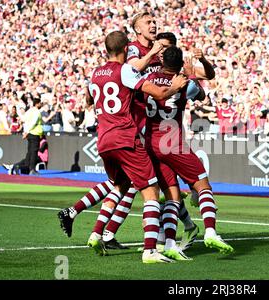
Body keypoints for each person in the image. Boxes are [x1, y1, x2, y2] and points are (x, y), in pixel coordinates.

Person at [85, 30, 187, 263]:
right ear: (125, 50)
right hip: (125, 137)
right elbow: (159, 91)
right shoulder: (125, 70)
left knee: (119, 185)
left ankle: (97, 233)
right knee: (151, 192)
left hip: (103, 140)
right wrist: (175, 86)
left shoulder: (94, 73)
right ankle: (150, 249)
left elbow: (89, 101)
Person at [143, 45, 234, 256]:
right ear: (181, 63)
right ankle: (210, 231)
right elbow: (201, 94)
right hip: (172, 142)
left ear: (162, 60)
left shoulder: (148, 79)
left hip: (151, 142)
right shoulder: (186, 83)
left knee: (172, 195)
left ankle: (168, 245)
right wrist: (190, 74)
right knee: (203, 186)